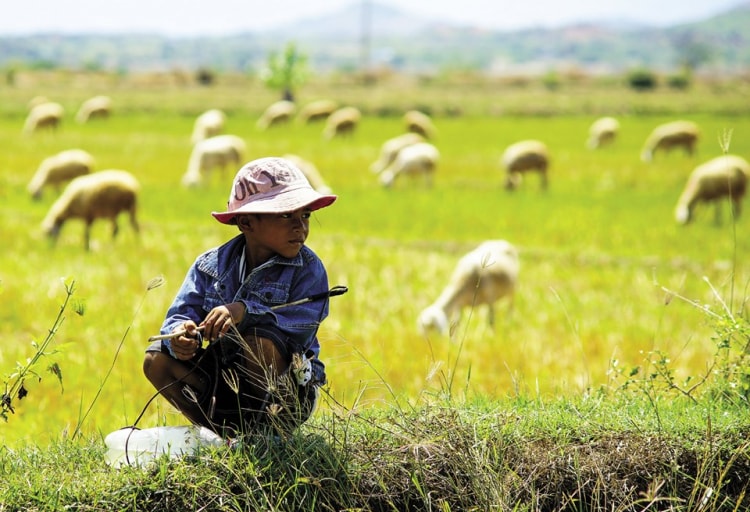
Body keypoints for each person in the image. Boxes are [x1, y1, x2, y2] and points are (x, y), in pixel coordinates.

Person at [143, 156, 337, 438]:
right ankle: (224, 434)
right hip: (223, 389)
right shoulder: (210, 266)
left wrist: (246, 312)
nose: (300, 226)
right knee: (155, 360)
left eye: (305, 215)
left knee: (259, 340)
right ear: (246, 222)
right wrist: (181, 336)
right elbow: (180, 315)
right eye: (285, 215)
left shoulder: (308, 269)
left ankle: (270, 436)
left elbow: (302, 328)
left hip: (288, 393)